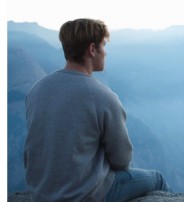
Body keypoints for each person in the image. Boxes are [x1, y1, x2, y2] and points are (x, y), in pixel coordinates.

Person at [24, 18, 171, 202]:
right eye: (104, 45)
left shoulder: (36, 91)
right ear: (92, 49)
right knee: (157, 179)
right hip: (85, 195)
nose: (106, 52)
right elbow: (122, 160)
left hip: (41, 193)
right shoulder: (103, 97)